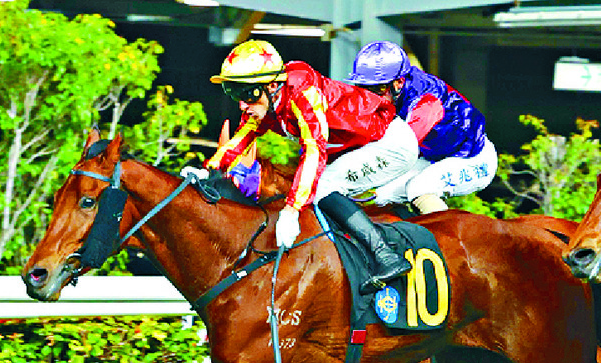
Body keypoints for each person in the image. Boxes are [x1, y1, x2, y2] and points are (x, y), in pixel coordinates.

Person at [205, 40, 418, 294]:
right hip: (365, 147)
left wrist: (292, 209)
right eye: (234, 94)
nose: (242, 104)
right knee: (318, 192)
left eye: (247, 94)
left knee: (322, 187)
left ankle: (386, 257)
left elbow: (314, 149)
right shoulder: (267, 102)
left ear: (273, 85)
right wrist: (208, 171)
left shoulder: (303, 92)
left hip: (390, 143)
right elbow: (242, 137)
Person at [345, 41, 497, 214]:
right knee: (380, 197)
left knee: (419, 187)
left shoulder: (426, 103)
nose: (370, 97)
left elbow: (394, 149)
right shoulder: (392, 93)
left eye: (378, 89)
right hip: (432, 156)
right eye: (363, 89)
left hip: (472, 159)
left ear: (399, 83)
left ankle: (444, 239)